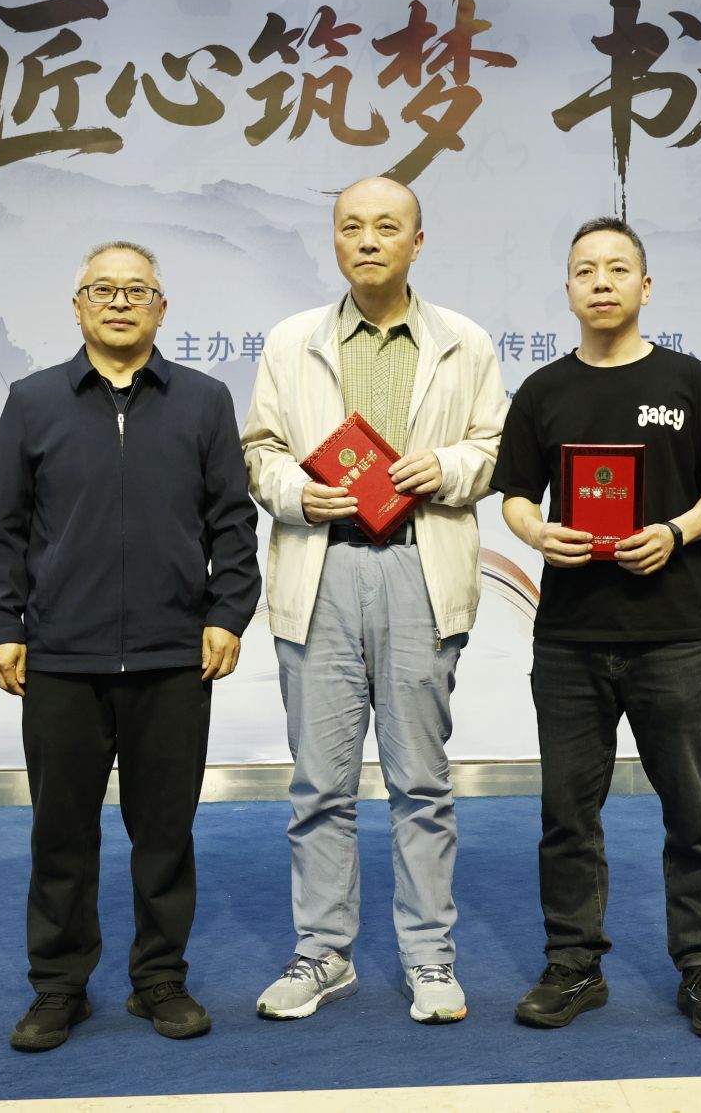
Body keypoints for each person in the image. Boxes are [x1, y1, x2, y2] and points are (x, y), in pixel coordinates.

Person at [0, 241, 260, 1052]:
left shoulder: (204, 400)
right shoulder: (33, 401)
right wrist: (4, 625)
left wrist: (228, 613)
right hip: (61, 655)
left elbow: (232, 522)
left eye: (137, 290)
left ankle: (159, 978)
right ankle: (59, 986)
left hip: (175, 656)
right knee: (61, 832)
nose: (119, 302)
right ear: (77, 306)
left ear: (161, 308)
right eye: (102, 289)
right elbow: (4, 527)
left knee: (165, 832)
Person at [241, 176, 508, 1024]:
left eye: (386, 226)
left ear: (416, 242)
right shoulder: (292, 341)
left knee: (420, 781)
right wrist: (297, 492)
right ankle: (324, 952)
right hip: (321, 569)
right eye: (351, 226)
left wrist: (448, 467)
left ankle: (430, 957)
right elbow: (260, 450)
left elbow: (494, 446)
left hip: (418, 567)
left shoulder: (465, 341)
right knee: (318, 783)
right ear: (334, 240)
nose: (367, 239)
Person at [491, 216, 701, 1040]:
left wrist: (676, 530)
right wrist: (538, 533)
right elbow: (514, 495)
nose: (600, 282)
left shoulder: (688, 381)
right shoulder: (542, 390)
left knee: (693, 810)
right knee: (567, 813)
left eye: (616, 268)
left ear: (645, 286)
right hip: (569, 638)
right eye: (585, 270)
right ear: (568, 289)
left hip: (671, 635)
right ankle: (574, 964)